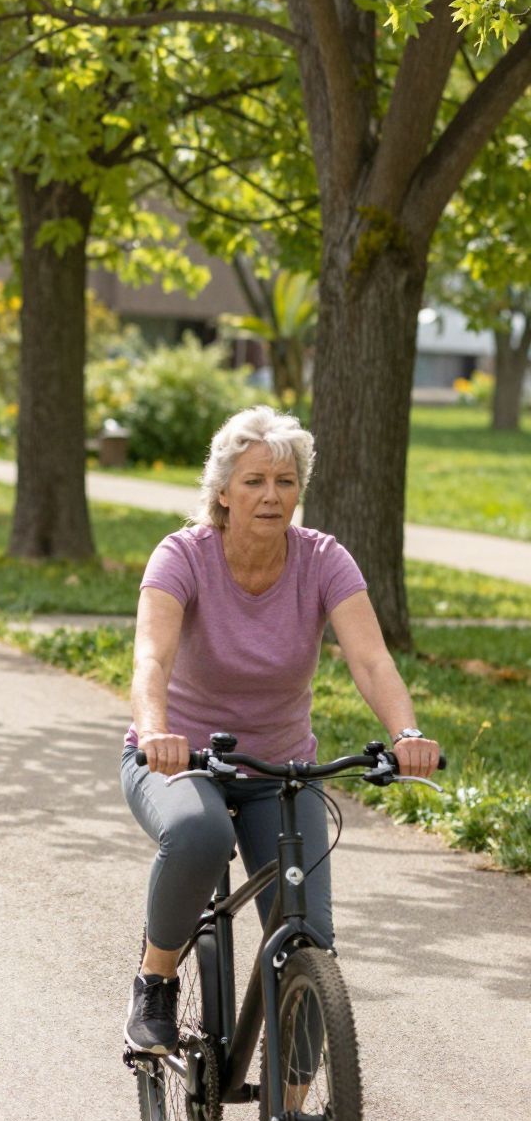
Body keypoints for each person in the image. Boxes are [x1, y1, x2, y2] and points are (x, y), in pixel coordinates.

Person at [122, 405, 441, 1058]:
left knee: (307, 940)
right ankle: (155, 980)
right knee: (198, 833)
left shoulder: (323, 559)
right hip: (181, 760)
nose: (272, 495)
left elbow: (370, 658)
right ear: (222, 491)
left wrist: (407, 732)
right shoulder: (184, 554)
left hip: (280, 771)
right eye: (254, 481)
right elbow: (151, 658)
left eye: (286, 481)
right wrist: (156, 733)